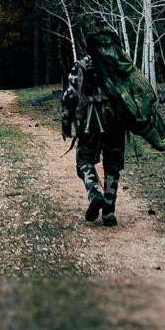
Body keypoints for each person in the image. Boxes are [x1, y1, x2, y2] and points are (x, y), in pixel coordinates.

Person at [61, 30, 128, 226]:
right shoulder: (120, 65)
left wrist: (66, 124)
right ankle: (109, 211)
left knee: (84, 159)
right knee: (113, 165)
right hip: (116, 122)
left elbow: (69, 96)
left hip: (90, 123)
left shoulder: (81, 65)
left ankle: (94, 192)